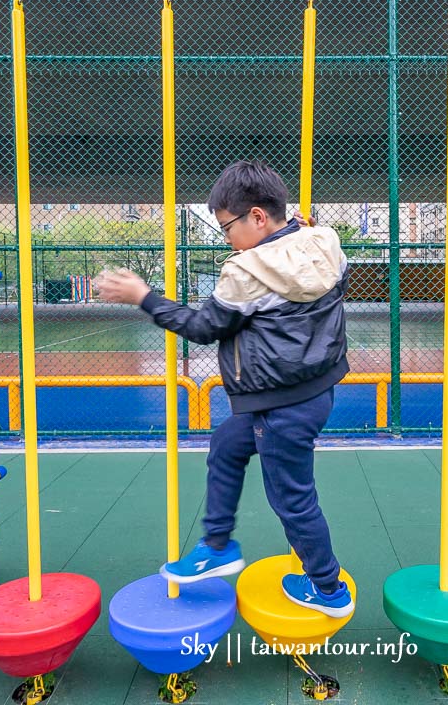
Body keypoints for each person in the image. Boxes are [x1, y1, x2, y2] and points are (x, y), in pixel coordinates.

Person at [96, 160, 354, 618]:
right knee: (228, 445)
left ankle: (328, 588)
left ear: (258, 217)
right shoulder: (324, 241)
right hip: (315, 389)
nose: (227, 239)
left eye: (227, 227)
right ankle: (216, 543)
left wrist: (144, 297)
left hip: (281, 404)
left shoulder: (248, 271)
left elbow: (202, 326)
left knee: (293, 499)